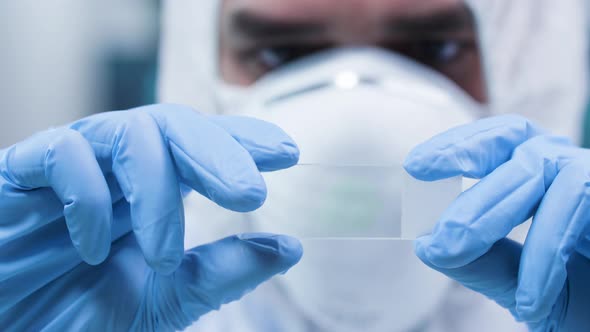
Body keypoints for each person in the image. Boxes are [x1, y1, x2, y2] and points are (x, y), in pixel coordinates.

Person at [0, 1, 588, 331]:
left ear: (526, 64)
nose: (358, 121)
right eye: (281, 53)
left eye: (433, 50)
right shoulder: (80, 298)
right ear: (199, 68)